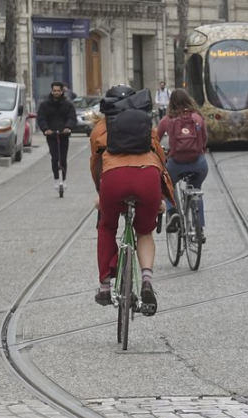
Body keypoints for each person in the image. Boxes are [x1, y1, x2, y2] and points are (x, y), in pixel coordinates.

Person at [89, 85, 175, 314]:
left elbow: (96, 165)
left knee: (107, 226)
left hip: (113, 179)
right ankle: (147, 279)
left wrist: (101, 192)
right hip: (147, 177)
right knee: (144, 231)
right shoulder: (147, 126)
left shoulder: (100, 129)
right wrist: (161, 195)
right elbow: (160, 159)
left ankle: (105, 287)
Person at [156, 89, 209, 242]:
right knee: (196, 188)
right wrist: (201, 148)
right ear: (188, 99)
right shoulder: (198, 118)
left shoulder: (167, 120)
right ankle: (199, 229)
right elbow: (205, 140)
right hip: (198, 164)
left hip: (176, 163)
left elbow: (155, 141)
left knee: (167, 186)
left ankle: (173, 214)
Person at [37, 81, 77, 191]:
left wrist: (68, 127)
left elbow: (72, 117)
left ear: (62, 91)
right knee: (55, 158)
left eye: (58, 91)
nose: (56, 93)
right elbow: (41, 118)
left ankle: (62, 180)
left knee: (63, 158)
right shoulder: (44, 105)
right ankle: (56, 179)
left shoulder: (68, 105)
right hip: (52, 136)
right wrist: (46, 129)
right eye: (54, 91)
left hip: (64, 135)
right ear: (51, 91)